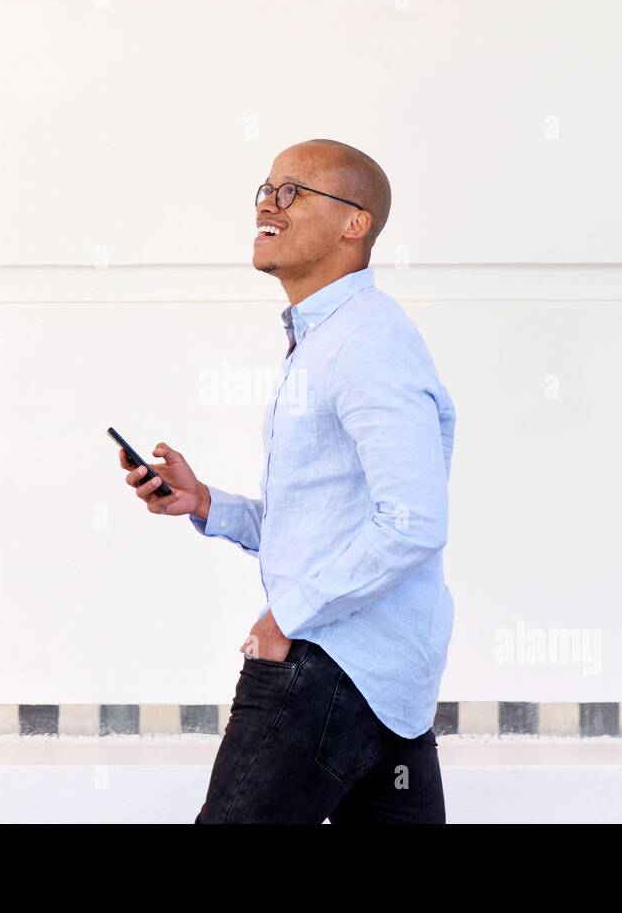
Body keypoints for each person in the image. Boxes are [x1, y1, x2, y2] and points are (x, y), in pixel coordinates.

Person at [119, 139, 456, 823]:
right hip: (372, 675)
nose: (267, 205)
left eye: (292, 191)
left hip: (326, 666)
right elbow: (328, 520)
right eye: (266, 189)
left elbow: (413, 521)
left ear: (353, 223)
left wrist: (285, 621)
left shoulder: (368, 344)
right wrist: (208, 504)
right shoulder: (329, 337)